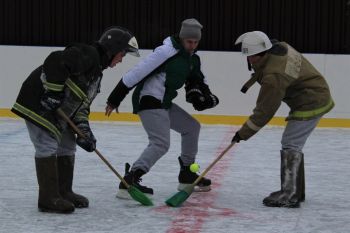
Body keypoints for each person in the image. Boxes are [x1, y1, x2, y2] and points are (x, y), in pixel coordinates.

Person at [11, 26, 140, 213]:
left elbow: (81, 108)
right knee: (46, 145)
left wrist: (83, 131)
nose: (121, 60)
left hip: (58, 112)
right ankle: (48, 198)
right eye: (122, 54)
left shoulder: (96, 75)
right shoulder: (88, 54)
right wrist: (53, 93)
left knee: (68, 144)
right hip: (39, 104)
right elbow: (56, 60)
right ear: (112, 50)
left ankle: (64, 192)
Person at [105, 18, 219, 198]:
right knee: (161, 143)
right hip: (148, 99)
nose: (192, 45)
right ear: (182, 38)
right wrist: (115, 99)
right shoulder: (166, 52)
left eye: (196, 42)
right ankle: (130, 180)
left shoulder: (191, 59)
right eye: (189, 41)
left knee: (191, 127)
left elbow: (197, 80)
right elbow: (136, 73)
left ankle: (187, 174)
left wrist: (204, 96)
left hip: (164, 102)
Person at [233, 31, 334, 208]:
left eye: (250, 56)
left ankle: (290, 194)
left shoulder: (274, 76)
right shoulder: (280, 48)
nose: (249, 60)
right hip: (315, 93)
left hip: (311, 101)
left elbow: (265, 111)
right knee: (292, 143)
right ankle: (296, 191)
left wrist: (243, 133)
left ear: (260, 54)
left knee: (290, 143)